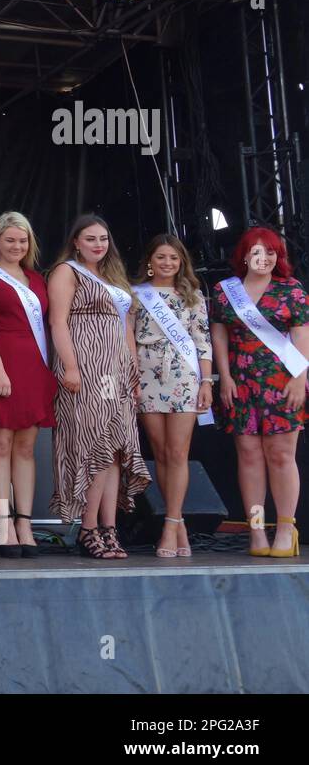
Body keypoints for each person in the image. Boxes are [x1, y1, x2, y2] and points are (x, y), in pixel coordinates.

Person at [48, 214, 149, 559]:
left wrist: (132, 374)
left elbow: (125, 330)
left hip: (116, 371)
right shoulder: (67, 271)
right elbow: (58, 321)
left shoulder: (112, 277)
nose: (98, 244)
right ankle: (88, 528)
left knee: (116, 451)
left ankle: (109, 527)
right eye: (90, 238)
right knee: (96, 448)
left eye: (103, 238)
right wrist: (71, 367)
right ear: (76, 241)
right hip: (88, 369)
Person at [0, 211, 57, 558]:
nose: (17, 246)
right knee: (0, 444)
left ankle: (24, 523)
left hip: (33, 367)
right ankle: (3, 524)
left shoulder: (36, 279)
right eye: (10, 240)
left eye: (23, 240)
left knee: (27, 448)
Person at [211, 226, 308, 558]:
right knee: (249, 457)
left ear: (278, 257)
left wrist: (299, 378)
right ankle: (256, 530)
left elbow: (302, 336)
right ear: (244, 255)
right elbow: (220, 336)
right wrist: (224, 377)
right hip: (242, 383)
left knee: (281, 456)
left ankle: (285, 528)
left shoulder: (290, 290)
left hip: (282, 383)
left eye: (270, 252)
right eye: (256, 251)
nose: (263, 258)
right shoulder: (226, 292)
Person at [130, 235, 213, 558]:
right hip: (148, 376)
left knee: (178, 452)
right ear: (150, 261)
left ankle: (172, 523)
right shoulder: (136, 296)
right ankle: (174, 521)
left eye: (174, 259)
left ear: (182, 263)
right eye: (161, 257)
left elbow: (202, 342)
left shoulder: (192, 297)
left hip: (183, 376)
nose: (167, 263)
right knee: (161, 452)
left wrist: (207, 381)